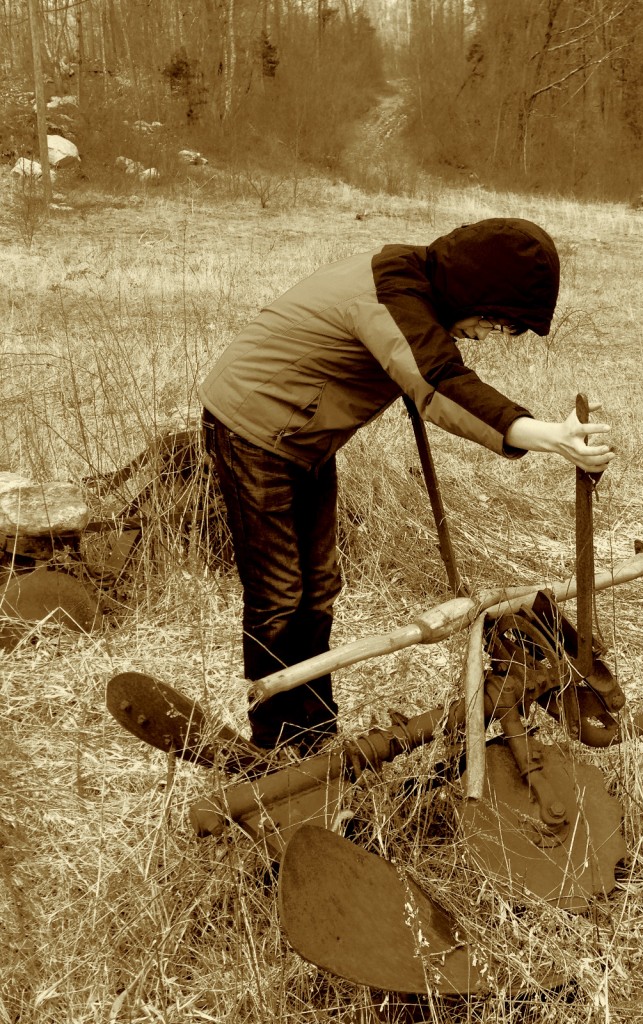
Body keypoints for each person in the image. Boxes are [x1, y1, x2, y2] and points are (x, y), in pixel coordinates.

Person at [199, 217, 613, 754]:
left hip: (304, 436)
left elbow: (425, 361)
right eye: (494, 321)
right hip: (252, 428)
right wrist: (549, 436)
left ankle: (314, 727)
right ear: (474, 289)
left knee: (319, 585)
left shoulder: (414, 283)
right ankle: (278, 741)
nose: (489, 335)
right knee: (280, 593)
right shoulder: (390, 295)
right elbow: (438, 382)